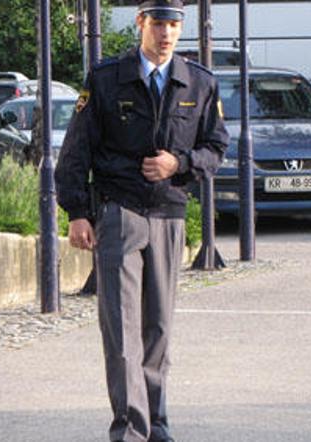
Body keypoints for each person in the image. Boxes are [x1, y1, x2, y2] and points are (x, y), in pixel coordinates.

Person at [55, 1, 229, 441]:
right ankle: (130, 428)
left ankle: (157, 424)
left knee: (159, 328)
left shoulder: (199, 82)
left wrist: (179, 163)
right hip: (119, 212)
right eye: (158, 24)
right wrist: (77, 212)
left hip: (168, 213)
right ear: (141, 23)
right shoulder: (106, 79)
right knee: (122, 330)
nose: (166, 34)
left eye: (173, 25)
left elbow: (216, 148)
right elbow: (75, 150)